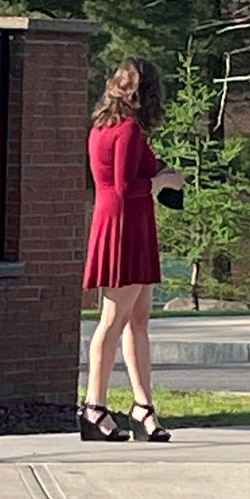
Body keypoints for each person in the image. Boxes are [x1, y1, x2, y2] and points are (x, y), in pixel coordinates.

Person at [80, 57, 184, 443]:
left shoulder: (102, 128)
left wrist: (157, 174)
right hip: (124, 227)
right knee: (113, 320)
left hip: (126, 226)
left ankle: (142, 408)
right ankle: (94, 407)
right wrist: (164, 181)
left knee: (138, 319)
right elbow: (124, 188)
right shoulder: (127, 131)